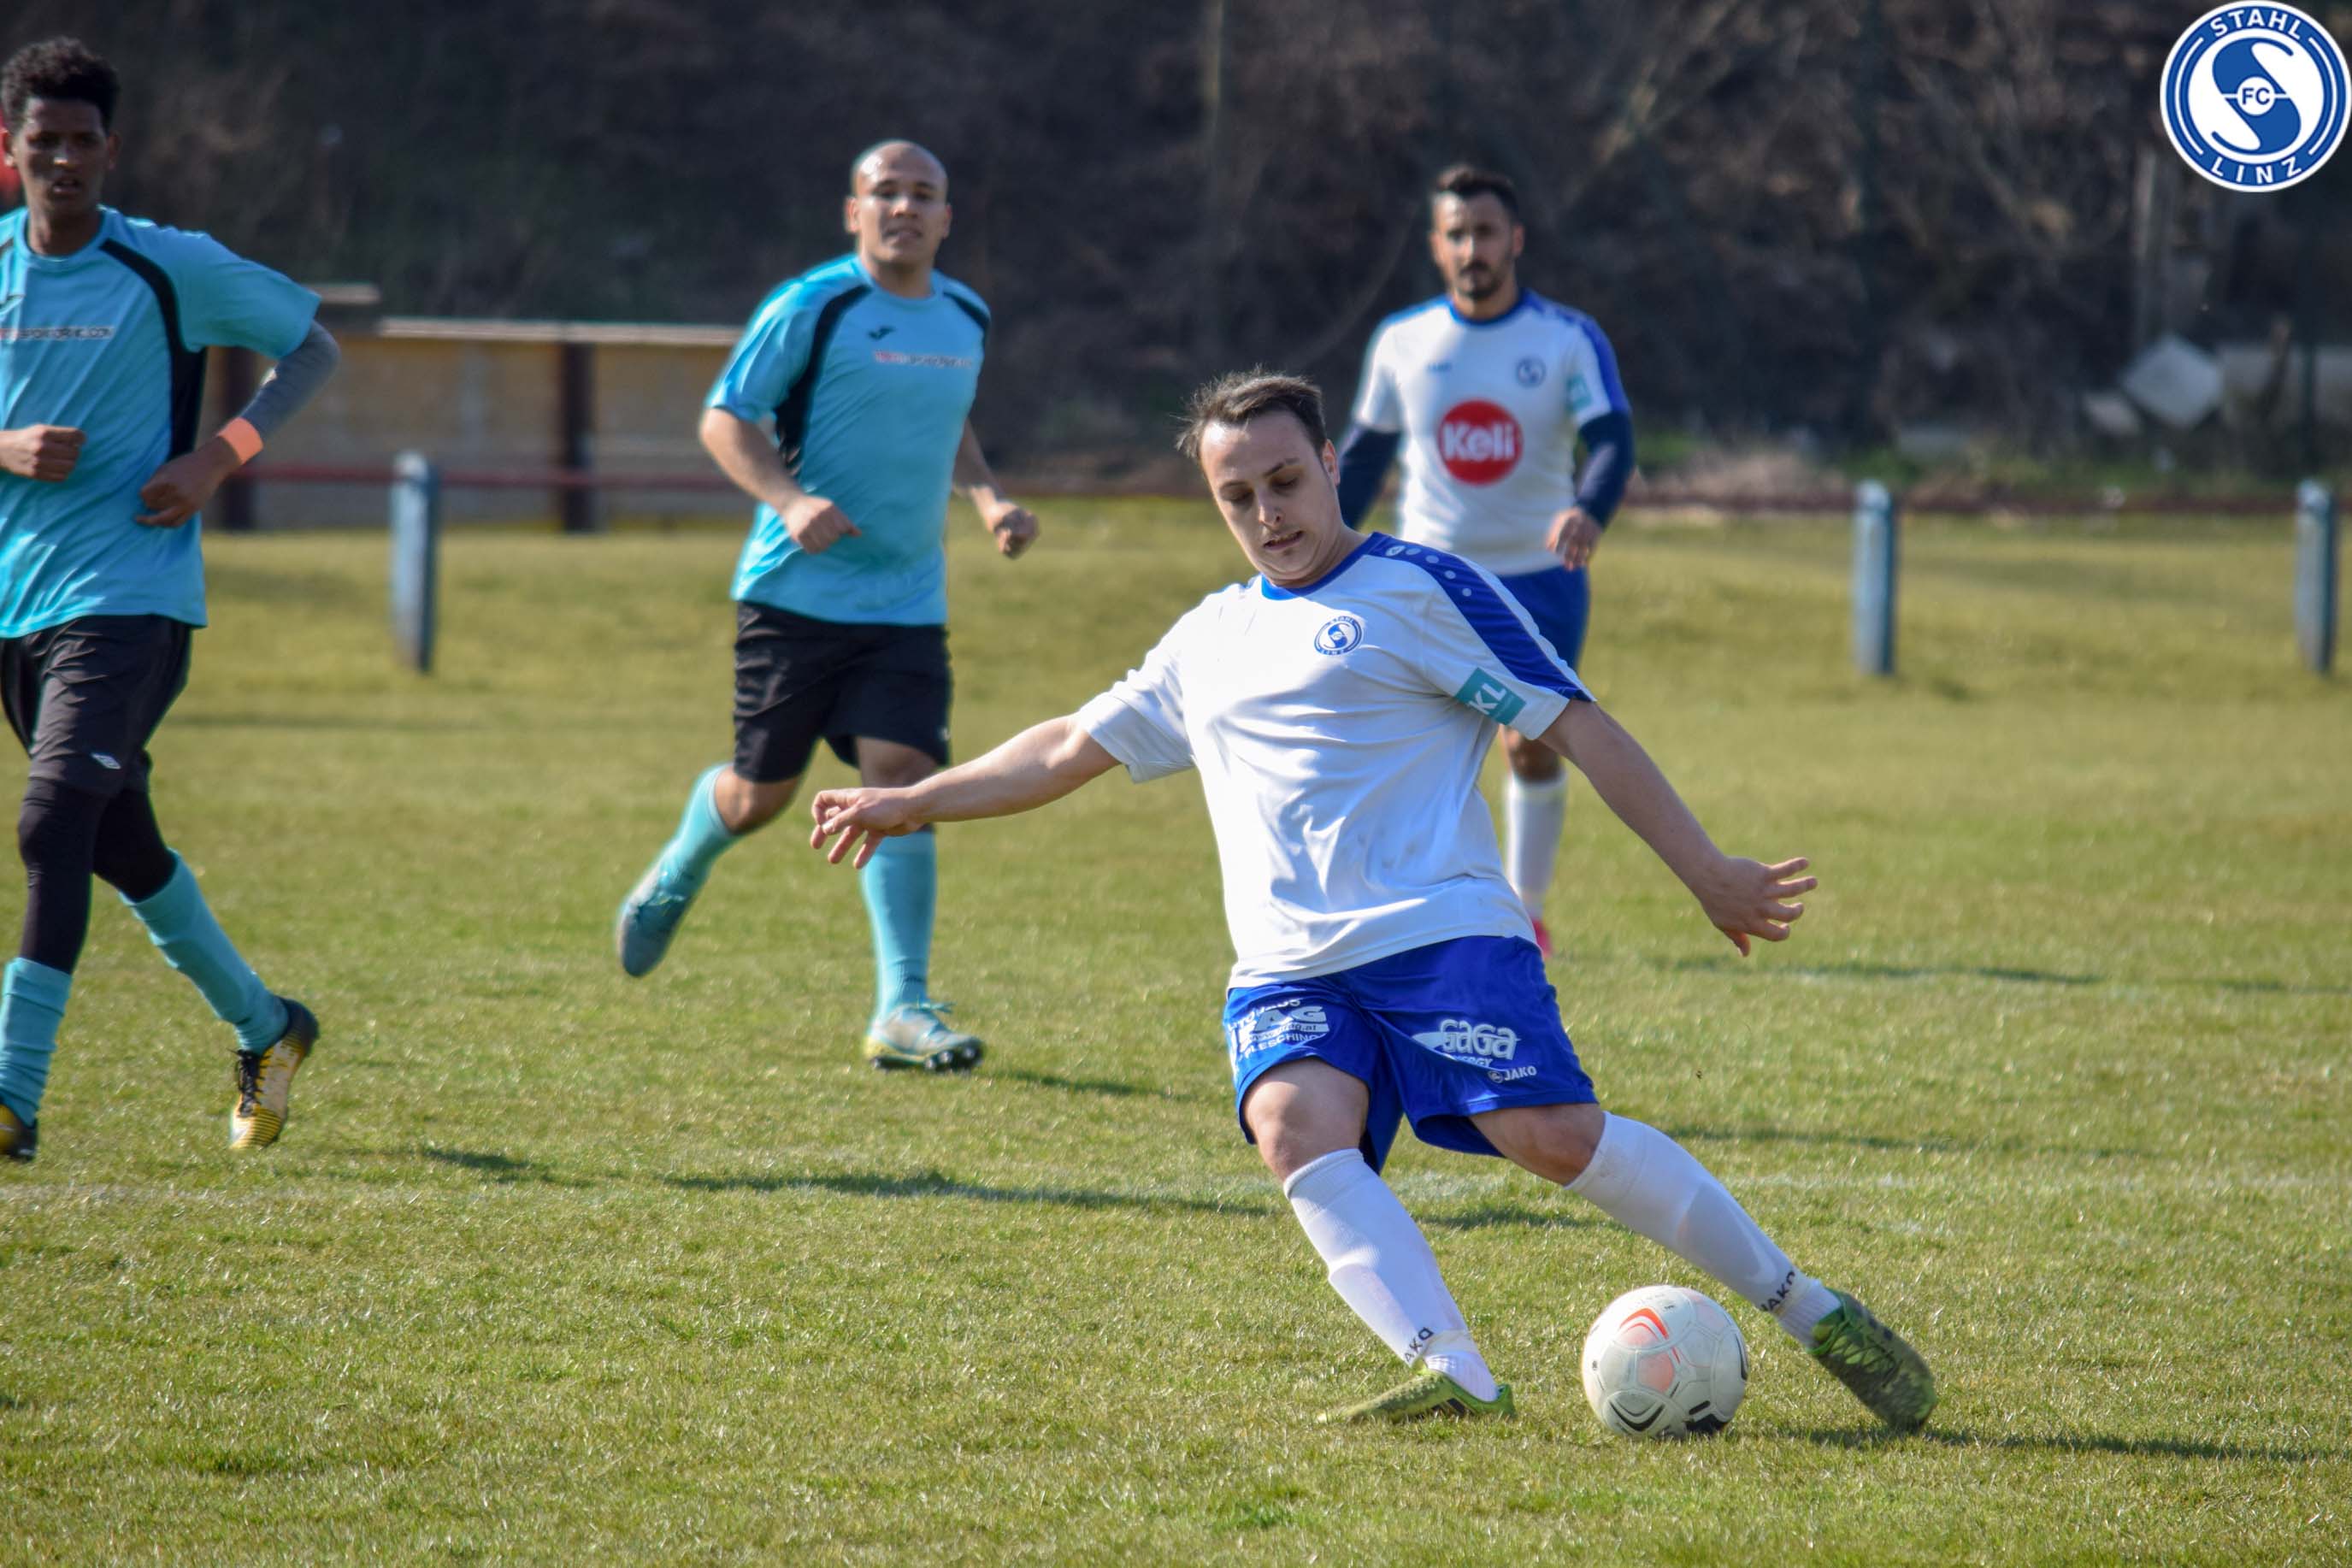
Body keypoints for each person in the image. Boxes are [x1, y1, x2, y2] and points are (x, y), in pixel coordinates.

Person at [806, 370, 1936, 1429]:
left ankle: (1807, 1307)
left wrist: (1706, 870)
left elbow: (1576, 723)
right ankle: (1452, 1368)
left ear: (1331, 465)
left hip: (1441, 934)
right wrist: (913, 799)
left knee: (1546, 1135)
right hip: (1286, 962)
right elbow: (1065, 746)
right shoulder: (1209, 637)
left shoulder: (1419, 588)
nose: (1266, 513)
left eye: (1284, 480)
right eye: (1236, 495)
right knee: (1290, 1125)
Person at [615, 139, 1039, 1073]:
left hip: (906, 602)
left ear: (947, 218)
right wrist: (789, 500)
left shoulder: (965, 315)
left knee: (904, 782)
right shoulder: (813, 304)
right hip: (794, 595)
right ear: (854, 211)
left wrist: (988, 500)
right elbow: (726, 416)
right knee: (760, 797)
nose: (904, 208)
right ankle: (683, 862)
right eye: (885, 192)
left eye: (923, 194)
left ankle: (903, 1007)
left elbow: (949, 419)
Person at [0, 38, 342, 1161]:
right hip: (18, 607)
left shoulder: (166, 266)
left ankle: (10, 1099)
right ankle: (269, 1027)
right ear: (9, 147)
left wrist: (216, 457)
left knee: (52, 822)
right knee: (118, 845)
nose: (63, 160)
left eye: (82, 141)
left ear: (113, 150)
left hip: (130, 598)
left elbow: (311, 347)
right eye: (43, 141)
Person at [1335, 165, 1636, 959]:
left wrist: (1589, 507)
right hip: (1426, 576)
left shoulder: (1566, 339)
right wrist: (1316, 551)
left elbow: (1612, 439)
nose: (1473, 249)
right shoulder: (1402, 341)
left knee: (1529, 742)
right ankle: (1399, 910)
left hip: (1539, 578)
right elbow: (1361, 460)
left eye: (1486, 233)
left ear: (1516, 241)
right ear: (1436, 247)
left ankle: (1524, 913)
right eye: (1457, 235)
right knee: (1405, 739)